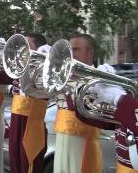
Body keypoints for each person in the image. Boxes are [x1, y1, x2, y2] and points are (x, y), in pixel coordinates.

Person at [77, 58, 138, 172]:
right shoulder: (132, 105)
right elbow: (89, 117)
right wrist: (86, 89)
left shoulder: (129, 106)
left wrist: (120, 98)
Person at [53, 33, 103, 173]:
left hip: (83, 143)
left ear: (90, 53)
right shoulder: (64, 76)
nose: (71, 54)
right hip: (62, 139)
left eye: (75, 49)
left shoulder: (99, 77)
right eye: (69, 50)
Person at [8, 33, 50, 173]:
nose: (23, 51)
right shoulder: (20, 67)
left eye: (28, 47)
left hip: (32, 122)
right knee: (15, 160)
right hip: (17, 118)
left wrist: (40, 61)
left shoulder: (43, 71)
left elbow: (28, 88)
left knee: (29, 163)